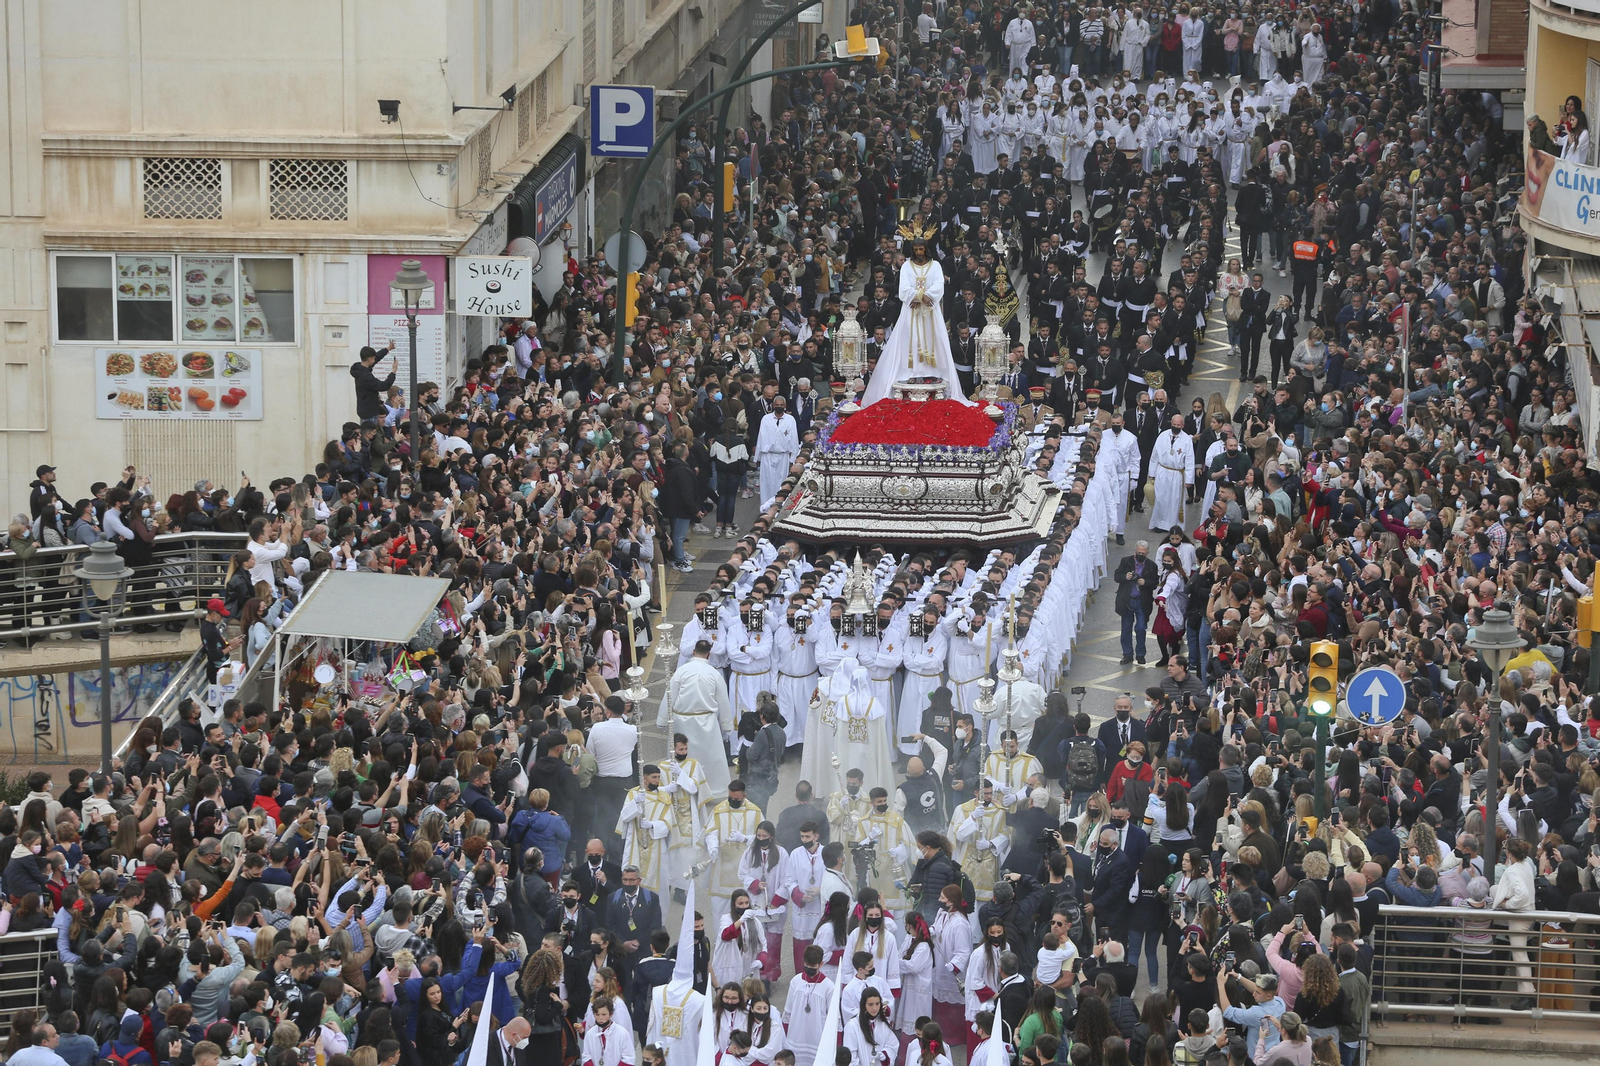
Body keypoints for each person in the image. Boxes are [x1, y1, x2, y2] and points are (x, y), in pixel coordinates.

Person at [862, 239, 970, 406]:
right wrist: (919, 296)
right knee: (909, 340)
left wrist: (923, 297)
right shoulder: (906, 266)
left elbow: (938, 286)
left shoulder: (935, 266)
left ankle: (932, 371)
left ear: (926, 249)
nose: (919, 252)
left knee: (934, 339)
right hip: (911, 311)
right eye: (916, 249)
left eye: (922, 249)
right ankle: (911, 371)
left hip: (930, 312)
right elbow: (903, 288)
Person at [661, 639, 734, 797]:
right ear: (708, 654)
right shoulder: (714, 673)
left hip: (682, 722)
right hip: (706, 723)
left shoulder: (681, 671)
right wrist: (727, 724)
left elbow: (670, 695)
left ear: (694, 652)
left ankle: (678, 788)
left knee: (683, 757)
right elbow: (723, 700)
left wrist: (662, 719)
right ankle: (712, 791)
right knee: (710, 760)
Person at [350, 343, 397, 421]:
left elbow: (377, 357)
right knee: (370, 432)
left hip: (365, 410)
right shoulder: (366, 376)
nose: (375, 359)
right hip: (369, 413)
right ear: (369, 359)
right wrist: (393, 372)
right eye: (373, 358)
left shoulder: (359, 368)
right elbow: (383, 386)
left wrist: (387, 349)